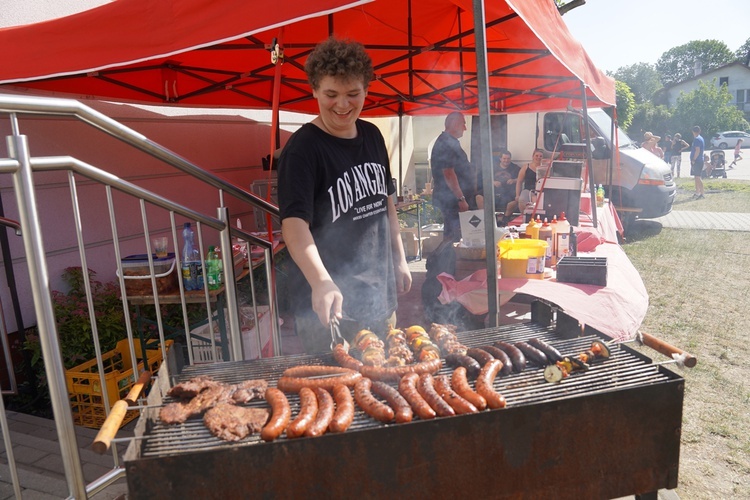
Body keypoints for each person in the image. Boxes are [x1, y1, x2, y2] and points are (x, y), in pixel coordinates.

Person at [277, 37, 411, 353]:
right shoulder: (302, 150)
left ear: (366, 90)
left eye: (353, 94)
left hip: (380, 298)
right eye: (331, 94)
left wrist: (400, 258)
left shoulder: (374, 136)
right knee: (337, 398)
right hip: (332, 309)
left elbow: (385, 202)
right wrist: (320, 280)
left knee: (390, 382)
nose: (342, 104)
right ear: (314, 90)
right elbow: (294, 224)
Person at [430, 112, 475, 243]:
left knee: (455, 236)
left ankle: (452, 261)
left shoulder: (450, 142)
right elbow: (448, 173)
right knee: (453, 237)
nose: (465, 128)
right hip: (452, 201)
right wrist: (461, 198)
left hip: (453, 199)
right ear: (454, 124)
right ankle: (450, 262)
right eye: (463, 124)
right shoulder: (445, 143)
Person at [514, 148, 545, 215]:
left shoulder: (545, 169)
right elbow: (519, 181)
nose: (538, 157)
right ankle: (524, 216)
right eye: (536, 155)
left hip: (541, 191)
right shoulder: (526, 167)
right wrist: (517, 195)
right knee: (522, 200)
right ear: (533, 156)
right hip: (528, 190)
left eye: (540, 156)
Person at [493, 150, 521, 222]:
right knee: (479, 196)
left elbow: (522, 178)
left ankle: (505, 220)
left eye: (508, 158)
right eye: (504, 158)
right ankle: (488, 218)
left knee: (514, 201)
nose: (506, 160)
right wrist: (493, 182)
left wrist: (514, 180)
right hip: (495, 192)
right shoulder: (493, 167)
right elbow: (485, 178)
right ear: (500, 159)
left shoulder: (515, 168)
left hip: (509, 192)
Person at [690, 125, 705, 198]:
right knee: (696, 177)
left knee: (698, 177)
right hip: (699, 160)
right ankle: (697, 192)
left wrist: (694, 159)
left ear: (693, 132)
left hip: (697, 160)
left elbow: (697, 150)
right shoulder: (700, 138)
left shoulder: (697, 139)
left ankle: (702, 193)